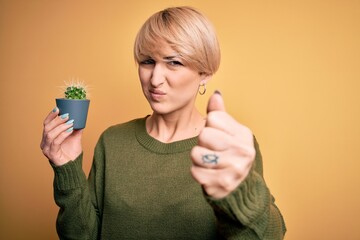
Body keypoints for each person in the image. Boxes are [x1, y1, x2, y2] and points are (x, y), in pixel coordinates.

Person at [40, 6, 286, 239]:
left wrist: (242, 195)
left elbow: (268, 235)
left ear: (205, 73)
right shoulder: (112, 141)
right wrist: (66, 166)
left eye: (174, 62)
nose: (155, 79)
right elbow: (82, 236)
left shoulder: (227, 145)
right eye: (147, 61)